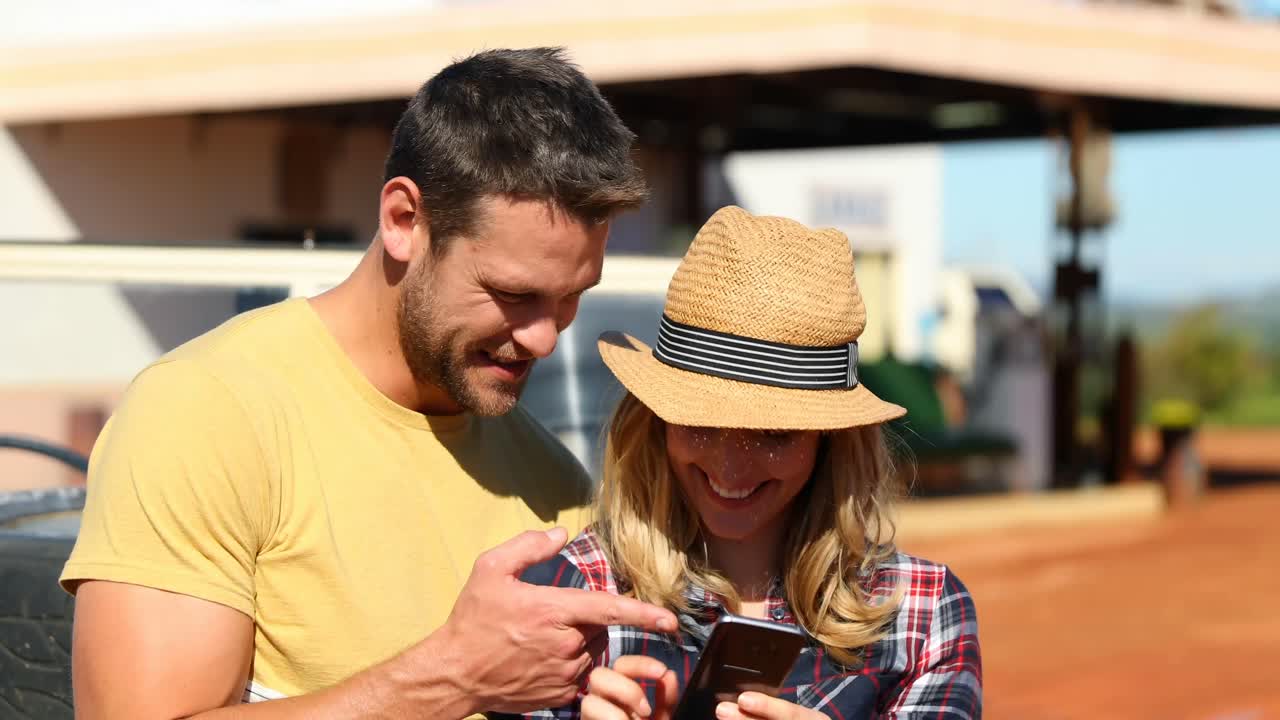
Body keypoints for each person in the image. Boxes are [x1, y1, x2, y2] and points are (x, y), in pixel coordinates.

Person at [60, 47, 678, 719]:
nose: (545, 338)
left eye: (571, 297)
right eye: (512, 293)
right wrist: (450, 679)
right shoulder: (206, 411)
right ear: (404, 221)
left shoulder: (554, 484)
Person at [506, 207, 983, 719]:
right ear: (654, 421)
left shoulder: (924, 613)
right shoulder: (573, 598)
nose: (730, 466)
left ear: (831, 440)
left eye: (774, 434)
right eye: (699, 423)